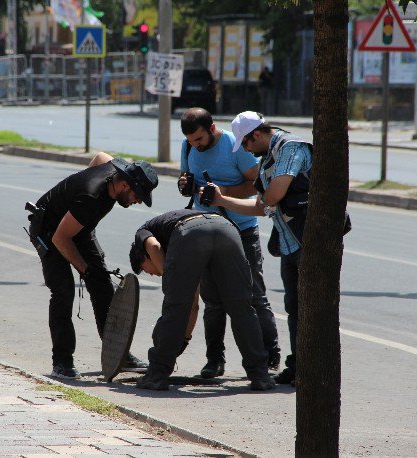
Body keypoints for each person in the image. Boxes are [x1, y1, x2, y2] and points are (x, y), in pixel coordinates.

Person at [207, 111, 313, 386]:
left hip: (309, 242)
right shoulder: (268, 157)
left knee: (310, 308)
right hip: (290, 241)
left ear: (255, 135)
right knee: (295, 307)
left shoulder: (291, 147)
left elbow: (274, 195)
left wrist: (264, 201)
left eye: (244, 143)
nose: (245, 150)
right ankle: (300, 364)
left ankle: (313, 367)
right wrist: (222, 199)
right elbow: (261, 206)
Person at [30, 153, 158, 379]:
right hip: (49, 231)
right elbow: (60, 239)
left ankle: (120, 354)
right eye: (137, 195)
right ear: (124, 184)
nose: (138, 201)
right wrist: (85, 269)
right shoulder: (90, 197)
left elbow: (99, 157)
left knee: (103, 287)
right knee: (63, 291)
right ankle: (61, 362)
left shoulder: (114, 169)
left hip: (77, 226)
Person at [178, 107, 280, 379]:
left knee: (254, 296)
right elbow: (186, 177)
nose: (195, 146)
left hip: (242, 229)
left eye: (198, 139)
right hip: (207, 230)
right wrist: (185, 184)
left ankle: (270, 356)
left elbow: (256, 184)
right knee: (213, 301)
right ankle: (215, 360)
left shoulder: (236, 146)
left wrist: (222, 194)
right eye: (190, 142)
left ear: (211, 129)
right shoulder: (189, 147)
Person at [128, 209, 276, 392]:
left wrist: (170, 281)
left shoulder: (143, 231)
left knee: (174, 308)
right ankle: (260, 376)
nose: (152, 274)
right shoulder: (172, 235)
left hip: (191, 232)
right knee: (242, 307)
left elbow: (155, 247)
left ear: (143, 256)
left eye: (147, 270)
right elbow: (193, 306)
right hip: (227, 228)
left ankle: (156, 376)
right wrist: (184, 339)